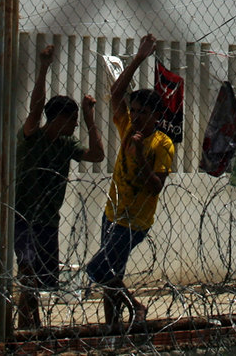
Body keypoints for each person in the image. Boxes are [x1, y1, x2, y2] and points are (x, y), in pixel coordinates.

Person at [85, 34, 174, 329]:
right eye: (133, 111)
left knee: (98, 268)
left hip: (134, 220)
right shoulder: (126, 127)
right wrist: (137, 59)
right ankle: (113, 329)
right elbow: (116, 93)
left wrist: (137, 155)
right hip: (112, 213)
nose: (135, 116)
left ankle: (136, 306)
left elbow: (156, 185)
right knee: (111, 277)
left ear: (157, 116)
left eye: (143, 113)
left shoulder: (162, 144)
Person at [16, 44, 104, 328]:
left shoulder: (66, 145)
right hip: (23, 216)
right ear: (58, 119)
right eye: (74, 121)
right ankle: (29, 325)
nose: (75, 127)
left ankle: (28, 323)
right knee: (27, 270)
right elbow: (36, 107)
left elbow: (97, 155)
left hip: (48, 219)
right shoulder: (32, 136)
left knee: (40, 278)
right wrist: (43, 67)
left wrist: (91, 121)